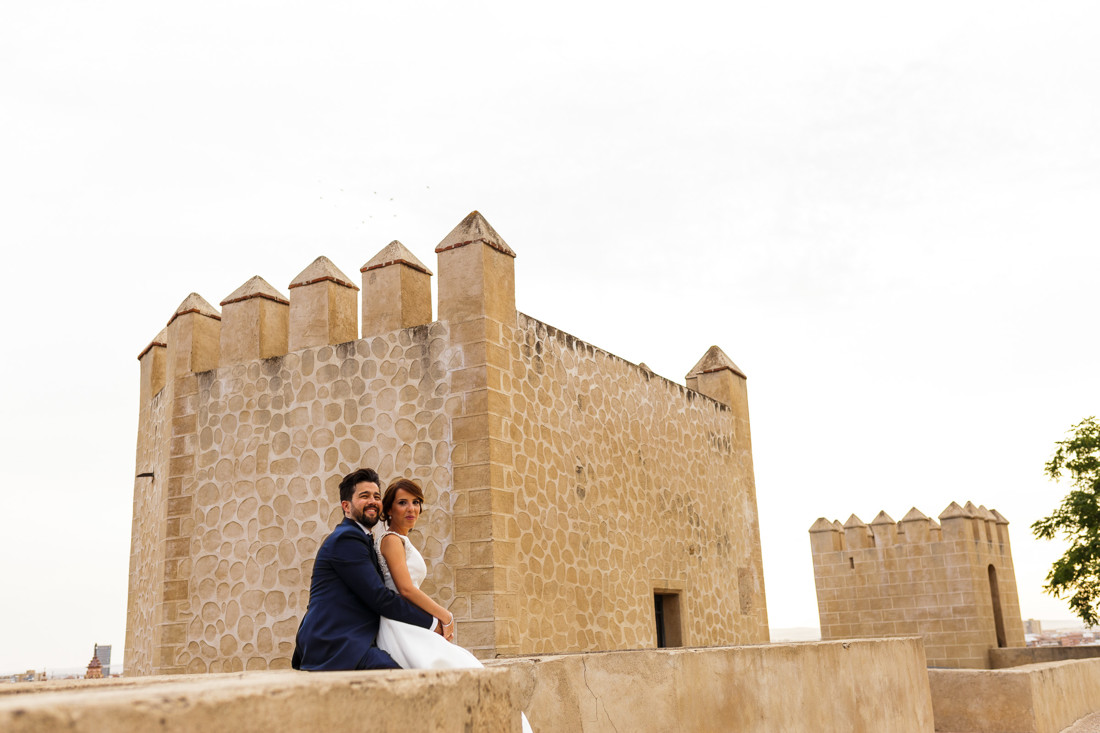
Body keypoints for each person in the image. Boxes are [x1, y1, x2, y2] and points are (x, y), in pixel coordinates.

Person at [375, 478, 533, 733]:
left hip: (409, 620)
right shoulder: (392, 540)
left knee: (467, 670)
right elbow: (405, 589)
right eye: (403, 503)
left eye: (416, 502)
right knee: (458, 670)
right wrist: (444, 615)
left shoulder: (401, 539)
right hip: (399, 625)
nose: (411, 509)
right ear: (389, 509)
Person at [291, 468, 444, 671]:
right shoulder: (346, 539)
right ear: (346, 506)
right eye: (364, 496)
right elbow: (379, 597)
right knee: (401, 678)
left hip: (356, 639)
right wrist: (432, 623)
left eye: (376, 497)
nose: (373, 501)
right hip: (334, 642)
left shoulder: (363, 539)